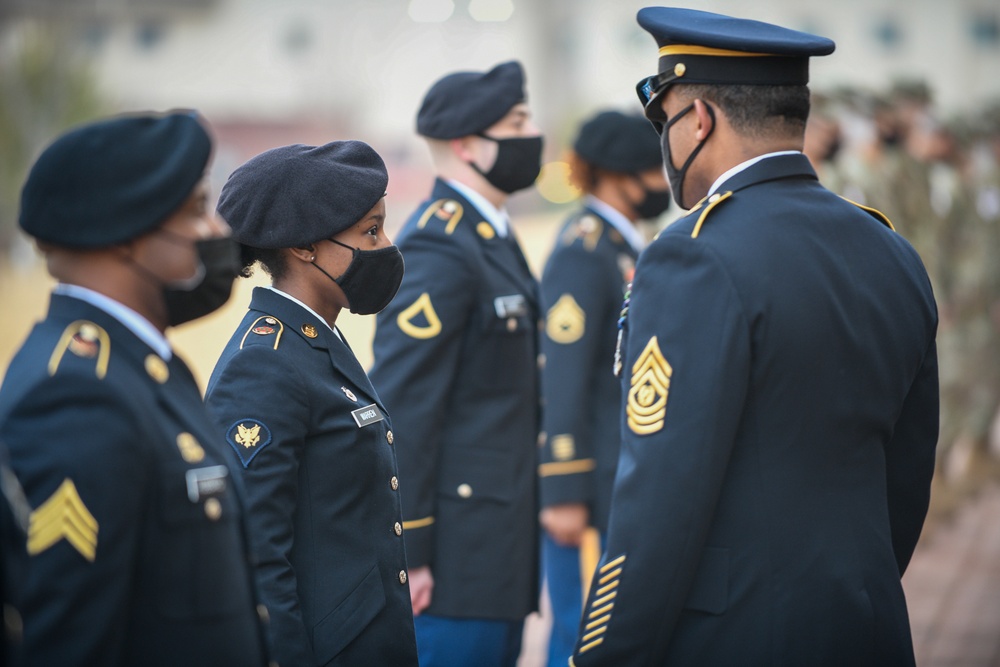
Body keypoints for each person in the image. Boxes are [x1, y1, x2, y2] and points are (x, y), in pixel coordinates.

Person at [570, 8, 939, 666]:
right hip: (868, 619)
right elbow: (907, 473)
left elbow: (659, 494)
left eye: (666, 118)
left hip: (735, 637)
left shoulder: (693, 255)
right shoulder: (891, 248)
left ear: (700, 119)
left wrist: (605, 652)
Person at [0, 112, 268, 666]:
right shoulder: (77, 395)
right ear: (125, 233)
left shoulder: (146, 365)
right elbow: (72, 642)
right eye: (198, 210)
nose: (218, 232)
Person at [204, 141, 418, 667]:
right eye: (371, 231)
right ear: (304, 247)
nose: (386, 246)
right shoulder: (265, 363)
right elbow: (256, 555)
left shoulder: (316, 342)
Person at [368, 60, 543, 666]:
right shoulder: (440, 244)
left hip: (497, 548)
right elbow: (406, 407)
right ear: (468, 145)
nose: (532, 136)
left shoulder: (490, 234)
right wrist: (411, 551)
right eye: (517, 123)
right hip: (453, 566)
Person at [537, 109, 669, 667]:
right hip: (588, 490)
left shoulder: (623, 245)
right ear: (618, 175)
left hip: (619, 475)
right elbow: (561, 372)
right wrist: (564, 490)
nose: (665, 183)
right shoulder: (583, 251)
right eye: (653, 170)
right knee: (583, 636)